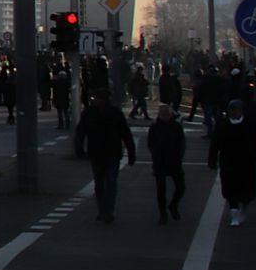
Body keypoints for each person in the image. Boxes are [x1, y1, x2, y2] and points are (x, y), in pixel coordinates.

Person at [74, 90, 136, 223]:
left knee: (107, 182)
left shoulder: (97, 113)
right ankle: (105, 210)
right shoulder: (105, 113)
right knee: (104, 183)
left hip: (104, 152)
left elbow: (125, 132)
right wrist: (131, 152)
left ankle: (106, 211)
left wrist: (79, 149)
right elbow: (125, 133)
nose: (95, 101)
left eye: (96, 98)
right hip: (104, 152)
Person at [208, 97, 256, 227]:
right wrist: (212, 159)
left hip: (246, 163)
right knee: (230, 189)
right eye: (231, 110)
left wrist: (255, 156)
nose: (233, 113)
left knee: (247, 191)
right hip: (228, 162)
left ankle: (243, 208)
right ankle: (234, 213)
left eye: (236, 110)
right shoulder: (223, 125)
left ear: (241, 111)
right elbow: (215, 143)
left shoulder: (250, 124)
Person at [145, 103, 186, 224]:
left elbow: (181, 143)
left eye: (166, 114)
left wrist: (179, 156)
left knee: (181, 188)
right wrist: (155, 155)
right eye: (163, 114)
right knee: (161, 190)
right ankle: (163, 214)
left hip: (174, 161)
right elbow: (151, 143)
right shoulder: (155, 127)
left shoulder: (176, 127)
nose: (165, 116)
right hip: (160, 161)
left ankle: (173, 205)